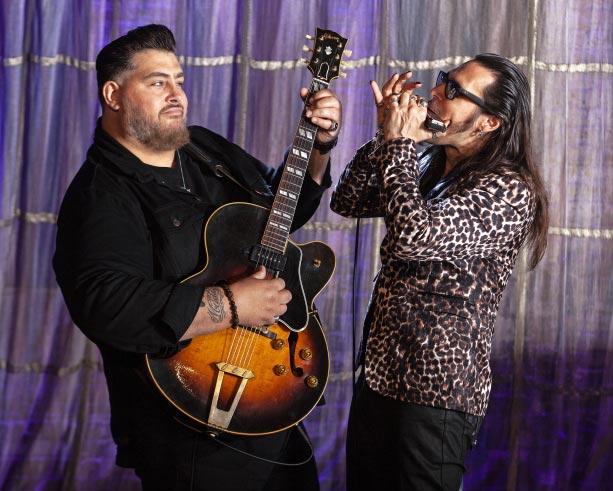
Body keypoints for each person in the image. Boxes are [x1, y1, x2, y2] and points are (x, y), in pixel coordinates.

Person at [53, 24, 341, 491]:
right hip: (190, 428)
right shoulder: (100, 196)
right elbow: (106, 306)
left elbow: (279, 215)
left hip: (273, 394)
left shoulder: (203, 148)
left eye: (179, 81)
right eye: (157, 82)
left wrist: (319, 146)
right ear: (113, 95)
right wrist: (231, 304)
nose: (176, 95)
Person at [331, 54, 548, 490]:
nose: (434, 92)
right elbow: (348, 199)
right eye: (443, 80)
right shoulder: (430, 162)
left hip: (436, 397)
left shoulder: (509, 188)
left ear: (489, 123)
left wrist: (399, 145)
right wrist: (386, 134)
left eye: (454, 90)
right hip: (379, 377)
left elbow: (413, 237)